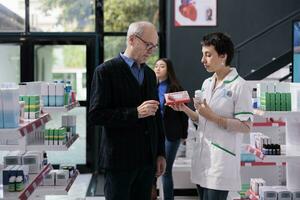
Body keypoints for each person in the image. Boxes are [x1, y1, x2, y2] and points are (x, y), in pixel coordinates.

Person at [169, 32, 253, 200]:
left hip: (221, 161)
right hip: (203, 157)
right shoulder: (207, 83)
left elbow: (246, 126)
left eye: (208, 55)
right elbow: (202, 120)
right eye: (203, 55)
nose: (203, 60)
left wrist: (213, 116)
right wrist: (185, 109)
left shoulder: (239, 86)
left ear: (223, 56)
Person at [88, 21, 166, 200]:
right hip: (119, 163)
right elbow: (95, 115)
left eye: (154, 46)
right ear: (132, 40)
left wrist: (160, 153)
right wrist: (135, 113)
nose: (152, 50)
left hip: (147, 162)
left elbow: (156, 117)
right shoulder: (105, 72)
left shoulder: (149, 74)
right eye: (148, 45)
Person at [153, 58, 188, 200]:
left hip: (171, 134)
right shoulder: (151, 87)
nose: (158, 69)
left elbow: (183, 114)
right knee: (152, 170)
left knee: (166, 171)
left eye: (162, 66)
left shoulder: (175, 88)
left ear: (168, 70)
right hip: (154, 134)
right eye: (156, 66)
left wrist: (184, 134)